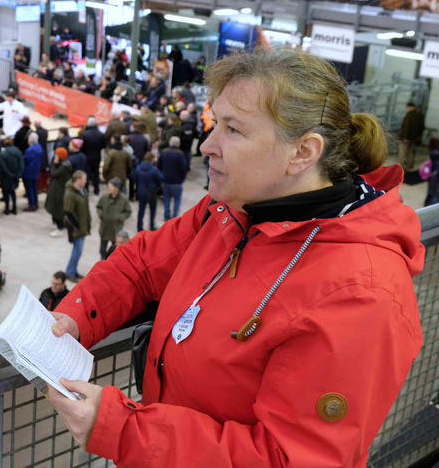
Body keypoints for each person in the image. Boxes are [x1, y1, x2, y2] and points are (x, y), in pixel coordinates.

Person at [46, 48, 424, 467]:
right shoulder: (234, 207)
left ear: (302, 153)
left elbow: (291, 460)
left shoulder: (361, 296)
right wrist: (77, 316)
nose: (208, 144)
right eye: (214, 123)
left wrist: (123, 429)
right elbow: (142, 262)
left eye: (233, 130)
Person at [63, 171, 90, 282]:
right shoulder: (70, 194)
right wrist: (78, 226)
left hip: (83, 226)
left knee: (78, 251)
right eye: (84, 179)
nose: (85, 181)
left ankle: (73, 270)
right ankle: (69, 272)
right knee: (77, 251)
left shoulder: (82, 191)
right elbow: (68, 213)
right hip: (76, 228)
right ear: (78, 180)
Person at [96, 178, 131, 260]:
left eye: (110, 186)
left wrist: (120, 217)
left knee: (115, 249)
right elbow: (98, 207)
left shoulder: (123, 199)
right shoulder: (104, 197)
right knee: (102, 250)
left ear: (116, 188)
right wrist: (101, 214)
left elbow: (128, 212)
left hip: (116, 229)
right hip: (105, 228)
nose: (108, 188)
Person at [158, 136, 188, 220]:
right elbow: (183, 168)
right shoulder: (180, 154)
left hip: (166, 180)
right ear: (178, 144)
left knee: (166, 199)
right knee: (177, 200)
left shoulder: (164, 152)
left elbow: (159, 166)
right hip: (177, 182)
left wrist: (162, 176)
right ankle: (174, 218)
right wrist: (182, 178)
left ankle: (166, 217)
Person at [47, 148, 73, 237]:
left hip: (58, 191)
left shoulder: (63, 167)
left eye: (56, 155)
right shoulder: (64, 164)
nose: (55, 157)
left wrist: (54, 164)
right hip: (57, 190)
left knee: (57, 210)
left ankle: (60, 228)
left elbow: (53, 173)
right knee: (58, 209)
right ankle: (61, 224)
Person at [134, 153, 164, 232]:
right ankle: (151, 226)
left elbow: (135, 179)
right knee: (152, 210)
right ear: (151, 159)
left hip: (141, 192)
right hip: (151, 192)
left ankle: (139, 228)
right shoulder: (154, 169)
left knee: (141, 210)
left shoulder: (138, 168)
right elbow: (161, 178)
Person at [81, 117, 106, 195]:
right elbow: (103, 145)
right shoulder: (100, 134)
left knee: (87, 173)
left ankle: (86, 189)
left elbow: (82, 146)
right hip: (97, 156)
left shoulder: (85, 134)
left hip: (87, 156)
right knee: (96, 173)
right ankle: (96, 189)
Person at [0, 137, 24, 215]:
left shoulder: (3, 153)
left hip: (6, 176)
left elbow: (3, 166)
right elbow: (22, 165)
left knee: (6, 193)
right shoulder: (18, 151)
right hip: (15, 176)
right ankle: (14, 208)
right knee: (13, 191)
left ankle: (7, 208)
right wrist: (18, 174)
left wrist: (9, 174)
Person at [398, 102, 424, 171]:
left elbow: (407, 127)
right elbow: (422, 127)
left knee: (402, 152)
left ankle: (400, 167)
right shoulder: (420, 115)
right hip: (414, 138)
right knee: (411, 152)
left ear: (410, 107)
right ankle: (409, 166)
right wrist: (418, 136)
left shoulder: (409, 115)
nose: (407, 109)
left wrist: (405, 137)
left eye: (408, 107)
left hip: (406, 137)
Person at [22, 133, 43, 211]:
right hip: (36, 170)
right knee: (34, 188)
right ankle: (35, 202)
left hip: (28, 171)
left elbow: (25, 160)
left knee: (29, 189)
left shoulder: (30, 150)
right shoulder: (39, 147)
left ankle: (31, 205)